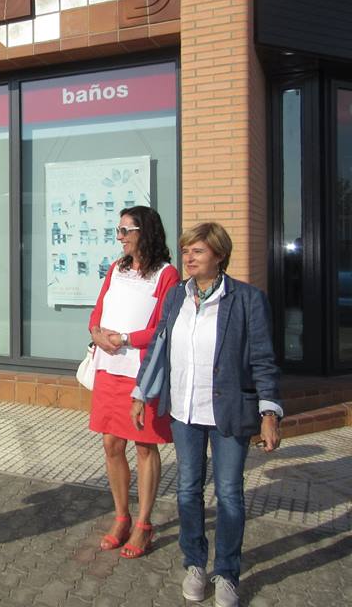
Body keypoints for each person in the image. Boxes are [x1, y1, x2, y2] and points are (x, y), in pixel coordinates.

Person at [131, 222, 282, 607]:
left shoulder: (247, 299)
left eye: (197, 251)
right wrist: (141, 393)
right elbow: (159, 347)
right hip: (183, 410)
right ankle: (195, 563)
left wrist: (269, 411)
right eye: (186, 251)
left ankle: (227, 572)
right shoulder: (176, 297)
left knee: (229, 493)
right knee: (188, 489)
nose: (188, 258)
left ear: (219, 255)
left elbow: (263, 358)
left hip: (229, 411)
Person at [88, 206, 180, 559]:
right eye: (119, 230)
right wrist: (97, 333)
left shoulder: (167, 274)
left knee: (144, 446)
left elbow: (163, 327)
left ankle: (143, 523)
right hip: (108, 368)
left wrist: (125, 339)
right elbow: (98, 310)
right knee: (111, 443)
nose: (120, 236)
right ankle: (121, 517)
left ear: (146, 232)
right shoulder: (116, 268)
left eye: (126, 230)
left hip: (141, 373)